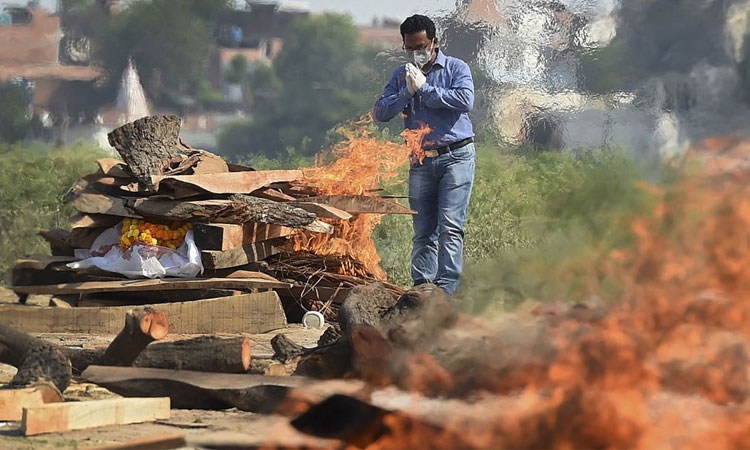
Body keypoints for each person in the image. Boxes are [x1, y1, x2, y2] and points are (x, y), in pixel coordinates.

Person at [373, 14, 476, 296]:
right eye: (410, 48)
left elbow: (465, 101)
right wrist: (406, 92)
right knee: (423, 231)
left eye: (421, 46)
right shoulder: (401, 74)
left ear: (434, 42)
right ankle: (422, 288)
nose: (417, 53)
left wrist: (426, 89)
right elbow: (380, 112)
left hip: (455, 156)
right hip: (420, 160)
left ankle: (446, 291)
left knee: (450, 228)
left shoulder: (456, 67)